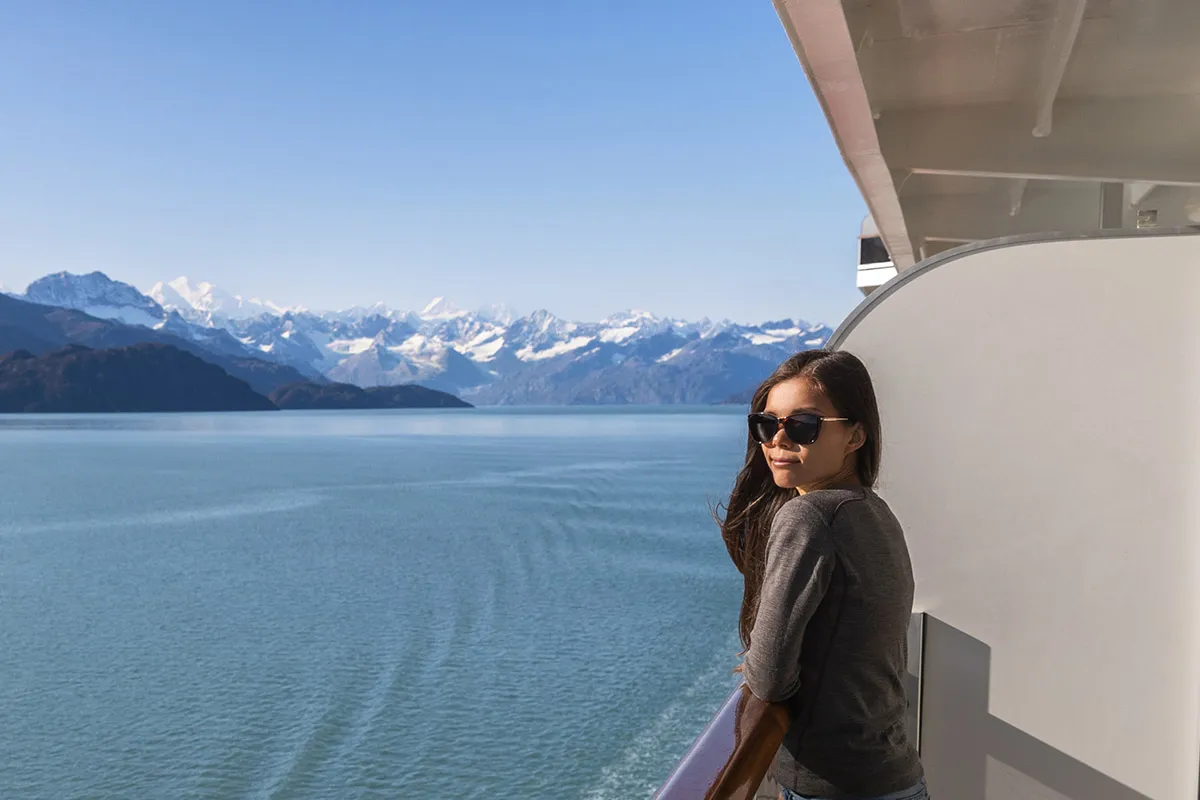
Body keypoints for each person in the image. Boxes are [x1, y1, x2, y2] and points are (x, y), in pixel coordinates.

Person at [718, 350, 928, 800]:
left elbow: (770, 675)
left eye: (802, 426)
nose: (777, 440)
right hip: (894, 776)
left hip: (835, 785)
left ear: (855, 436)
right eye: (766, 424)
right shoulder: (872, 510)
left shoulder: (810, 516)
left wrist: (762, 666)